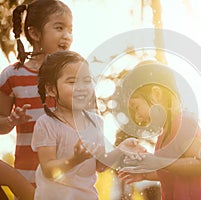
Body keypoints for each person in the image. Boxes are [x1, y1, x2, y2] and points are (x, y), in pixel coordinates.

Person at [31, 50, 145, 200]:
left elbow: (100, 165)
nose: (82, 87)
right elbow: (48, 169)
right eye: (72, 82)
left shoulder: (96, 122)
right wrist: (74, 160)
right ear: (51, 89)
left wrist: (120, 150)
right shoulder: (47, 124)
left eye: (86, 80)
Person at [0, 0, 73, 187]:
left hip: (70, 182)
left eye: (70, 30)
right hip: (28, 182)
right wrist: (11, 121)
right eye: (59, 28)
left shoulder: (75, 77)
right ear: (34, 33)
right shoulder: (12, 76)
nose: (67, 36)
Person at [117, 61, 201, 199]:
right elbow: (172, 172)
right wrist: (144, 175)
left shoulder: (183, 124)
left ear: (156, 94)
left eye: (136, 107)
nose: (138, 117)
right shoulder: (164, 134)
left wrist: (158, 162)